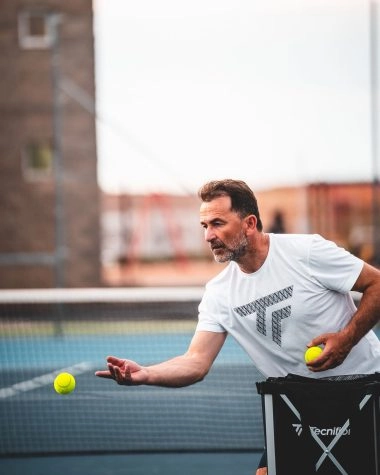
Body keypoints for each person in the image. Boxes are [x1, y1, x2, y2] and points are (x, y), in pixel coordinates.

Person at [96, 179, 380, 475]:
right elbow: (195, 362)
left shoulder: (307, 251)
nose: (208, 236)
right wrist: (147, 373)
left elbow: (377, 283)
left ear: (249, 223)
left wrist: (346, 340)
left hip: (367, 390)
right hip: (296, 407)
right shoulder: (219, 293)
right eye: (204, 226)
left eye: (217, 223)